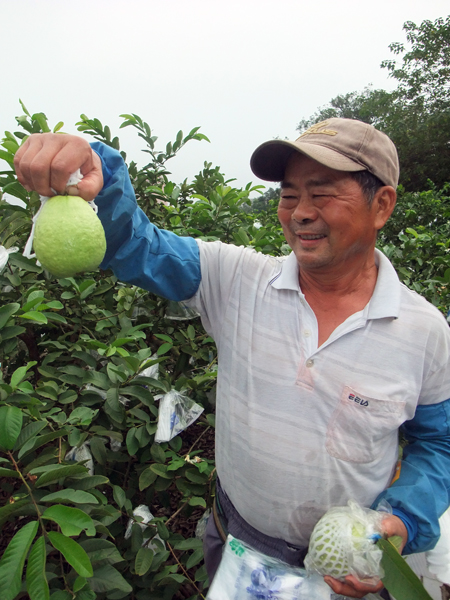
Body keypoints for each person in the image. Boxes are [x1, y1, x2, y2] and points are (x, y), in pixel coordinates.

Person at [14, 118, 450, 599]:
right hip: (242, 548)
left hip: (351, 570)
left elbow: (439, 446)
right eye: (288, 196)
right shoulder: (236, 280)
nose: (301, 212)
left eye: (322, 194)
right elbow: (136, 245)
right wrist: (93, 164)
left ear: (381, 204)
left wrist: (404, 519)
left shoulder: (424, 332)